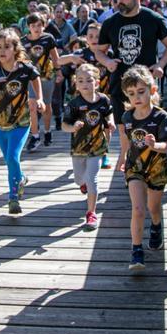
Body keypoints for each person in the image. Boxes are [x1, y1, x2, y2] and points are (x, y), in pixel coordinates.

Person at [93, 0, 167, 140]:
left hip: (145, 84)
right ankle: (125, 157)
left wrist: (160, 65)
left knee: (149, 124)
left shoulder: (154, 19)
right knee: (123, 124)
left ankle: (149, 160)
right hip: (121, 81)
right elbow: (99, 51)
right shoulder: (110, 23)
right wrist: (107, 62)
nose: (119, 1)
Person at [0, 29, 44, 215]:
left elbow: (36, 78)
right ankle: (21, 178)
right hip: (0, 123)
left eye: (7, 47)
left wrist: (39, 98)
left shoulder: (24, 68)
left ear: (15, 49)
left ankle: (13, 199)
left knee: (13, 157)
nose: (2, 51)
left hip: (21, 121)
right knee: (9, 160)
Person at [116, 66, 167, 271]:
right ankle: (136, 251)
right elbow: (126, 142)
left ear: (152, 91)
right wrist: (122, 159)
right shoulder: (127, 117)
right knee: (138, 208)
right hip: (135, 167)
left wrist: (154, 145)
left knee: (153, 207)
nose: (137, 97)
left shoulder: (161, 117)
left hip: (157, 167)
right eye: (131, 94)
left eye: (141, 92)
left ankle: (157, 225)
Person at [62, 63, 115, 230]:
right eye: (80, 81)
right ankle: (82, 184)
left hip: (97, 146)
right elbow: (64, 125)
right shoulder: (74, 104)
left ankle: (91, 213)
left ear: (97, 83)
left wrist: (111, 123)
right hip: (78, 148)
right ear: (76, 84)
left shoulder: (104, 100)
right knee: (79, 179)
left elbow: (109, 114)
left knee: (92, 180)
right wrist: (73, 127)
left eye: (89, 80)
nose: (85, 84)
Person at [21, 13, 59, 151]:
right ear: (28, 27)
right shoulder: (23, 41)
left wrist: (59, 71)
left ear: (44, 25)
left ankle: (47, 131)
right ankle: (35, 136)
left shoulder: (48, 38)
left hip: (47, 76)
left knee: (46, 106)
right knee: (32, 105)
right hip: (31, 78)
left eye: (39, 25)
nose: (36, 28)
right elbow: (20, 61)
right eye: (33, 26)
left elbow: (55, 58)